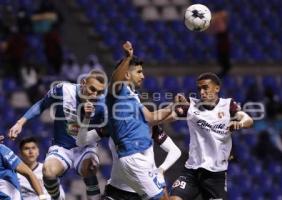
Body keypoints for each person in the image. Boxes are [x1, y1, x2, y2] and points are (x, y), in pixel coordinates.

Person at [8, 69, 107, 200]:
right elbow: (42, 104)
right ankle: (58, 198)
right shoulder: (64, 90)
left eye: (99, 92)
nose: (95, 95)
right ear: (83, 83)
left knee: (90, 168)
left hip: (85, 147)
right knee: (48, 172)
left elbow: (110, 129)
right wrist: (20, 123)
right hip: (62, 146)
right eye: (92, 89)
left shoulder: (104, 104)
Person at [106, 41, 176, 200]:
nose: (143, 76)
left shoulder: (133, 96)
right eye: (139, 72)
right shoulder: (118, 91)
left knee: (163, 196)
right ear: (127, 74)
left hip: (135, 157)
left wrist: (174, 107)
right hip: (133, 155)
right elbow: (116, 80)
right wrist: (128, 57)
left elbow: (151, 118)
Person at [169, 72, 253, 200]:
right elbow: (168, 117)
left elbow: (249, 120)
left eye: (205, 87)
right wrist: (173, 106)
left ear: (217, 88)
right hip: (192, 171)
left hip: (216, 175)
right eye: (199, 89)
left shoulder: (227, 105)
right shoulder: (191, 106)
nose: (202, 92)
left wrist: (239, 123)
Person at [0, 135, 46, 200]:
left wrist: (42, 198)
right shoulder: (16, 174)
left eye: (33, 148)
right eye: (27, 148)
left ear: (38, 151)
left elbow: (58, 194)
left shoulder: (46, 170)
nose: (31, 152)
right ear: (20, 153)